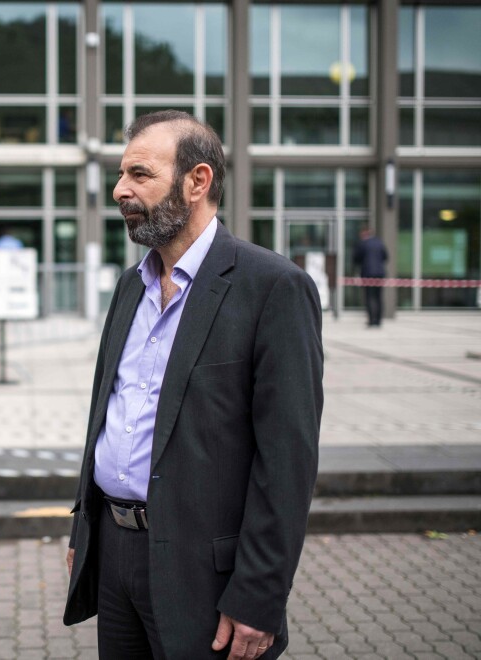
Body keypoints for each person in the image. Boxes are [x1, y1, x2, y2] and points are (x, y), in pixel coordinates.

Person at [63, 110, 323, 659]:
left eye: (139, 174)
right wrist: (83, 532)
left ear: (197, 181)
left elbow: (287, 463)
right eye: (120, 174)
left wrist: (259, 596)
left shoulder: (274, 288)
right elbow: (106, 415)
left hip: (205, 573)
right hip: (114, 555)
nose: (119, 190)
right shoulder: (129, 287)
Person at [352, 227, 388, 327]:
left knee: (369, 297)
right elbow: (385, 257)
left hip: (368, 274)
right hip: (380, 274)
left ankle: (372, 320)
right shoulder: (379, 243)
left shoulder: (363, 244)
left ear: (364, 234)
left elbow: (356, 259)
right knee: (378, 297)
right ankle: (379, 320)